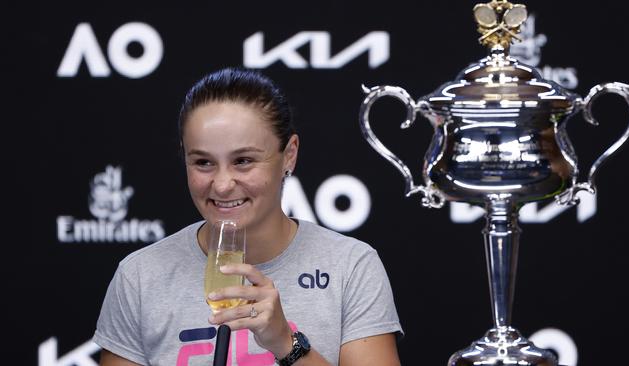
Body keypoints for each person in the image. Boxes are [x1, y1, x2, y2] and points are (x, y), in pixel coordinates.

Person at [92, 67, 403, 366]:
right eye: (203, 162)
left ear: (289, 154)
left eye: (243, 161)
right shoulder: (140, 277)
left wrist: (285, 343)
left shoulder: (350, 267)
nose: (223, 184)